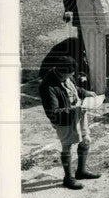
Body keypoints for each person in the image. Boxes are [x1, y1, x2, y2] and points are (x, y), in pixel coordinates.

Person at [39, 57, 102, 190]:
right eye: (70, 73)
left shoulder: (65, 76)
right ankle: (68, 178)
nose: (73, 75)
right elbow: (53, 112)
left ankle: (81, 171)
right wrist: (75, 110)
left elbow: (74, 89)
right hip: (65, 121)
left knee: (86, 141)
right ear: (61, 73)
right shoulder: (48, 86)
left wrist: (86, 93)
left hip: (79, 115)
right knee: (67, 147)